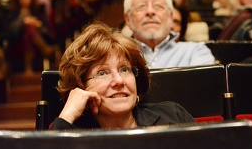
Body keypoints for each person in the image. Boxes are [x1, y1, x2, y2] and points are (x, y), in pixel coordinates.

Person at [50, 23, 195, 130]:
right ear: (81, 85)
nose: (119, 81)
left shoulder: (173, 117)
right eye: (102, 73)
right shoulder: (73, 134)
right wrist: (68, 114)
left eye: (124, 69)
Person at [123, 0, 215, 69]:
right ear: (128, 19)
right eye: (141, 6)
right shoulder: (116, 57)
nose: (150, 12)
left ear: (171, 17)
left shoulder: (195, 52)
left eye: (158, 6)